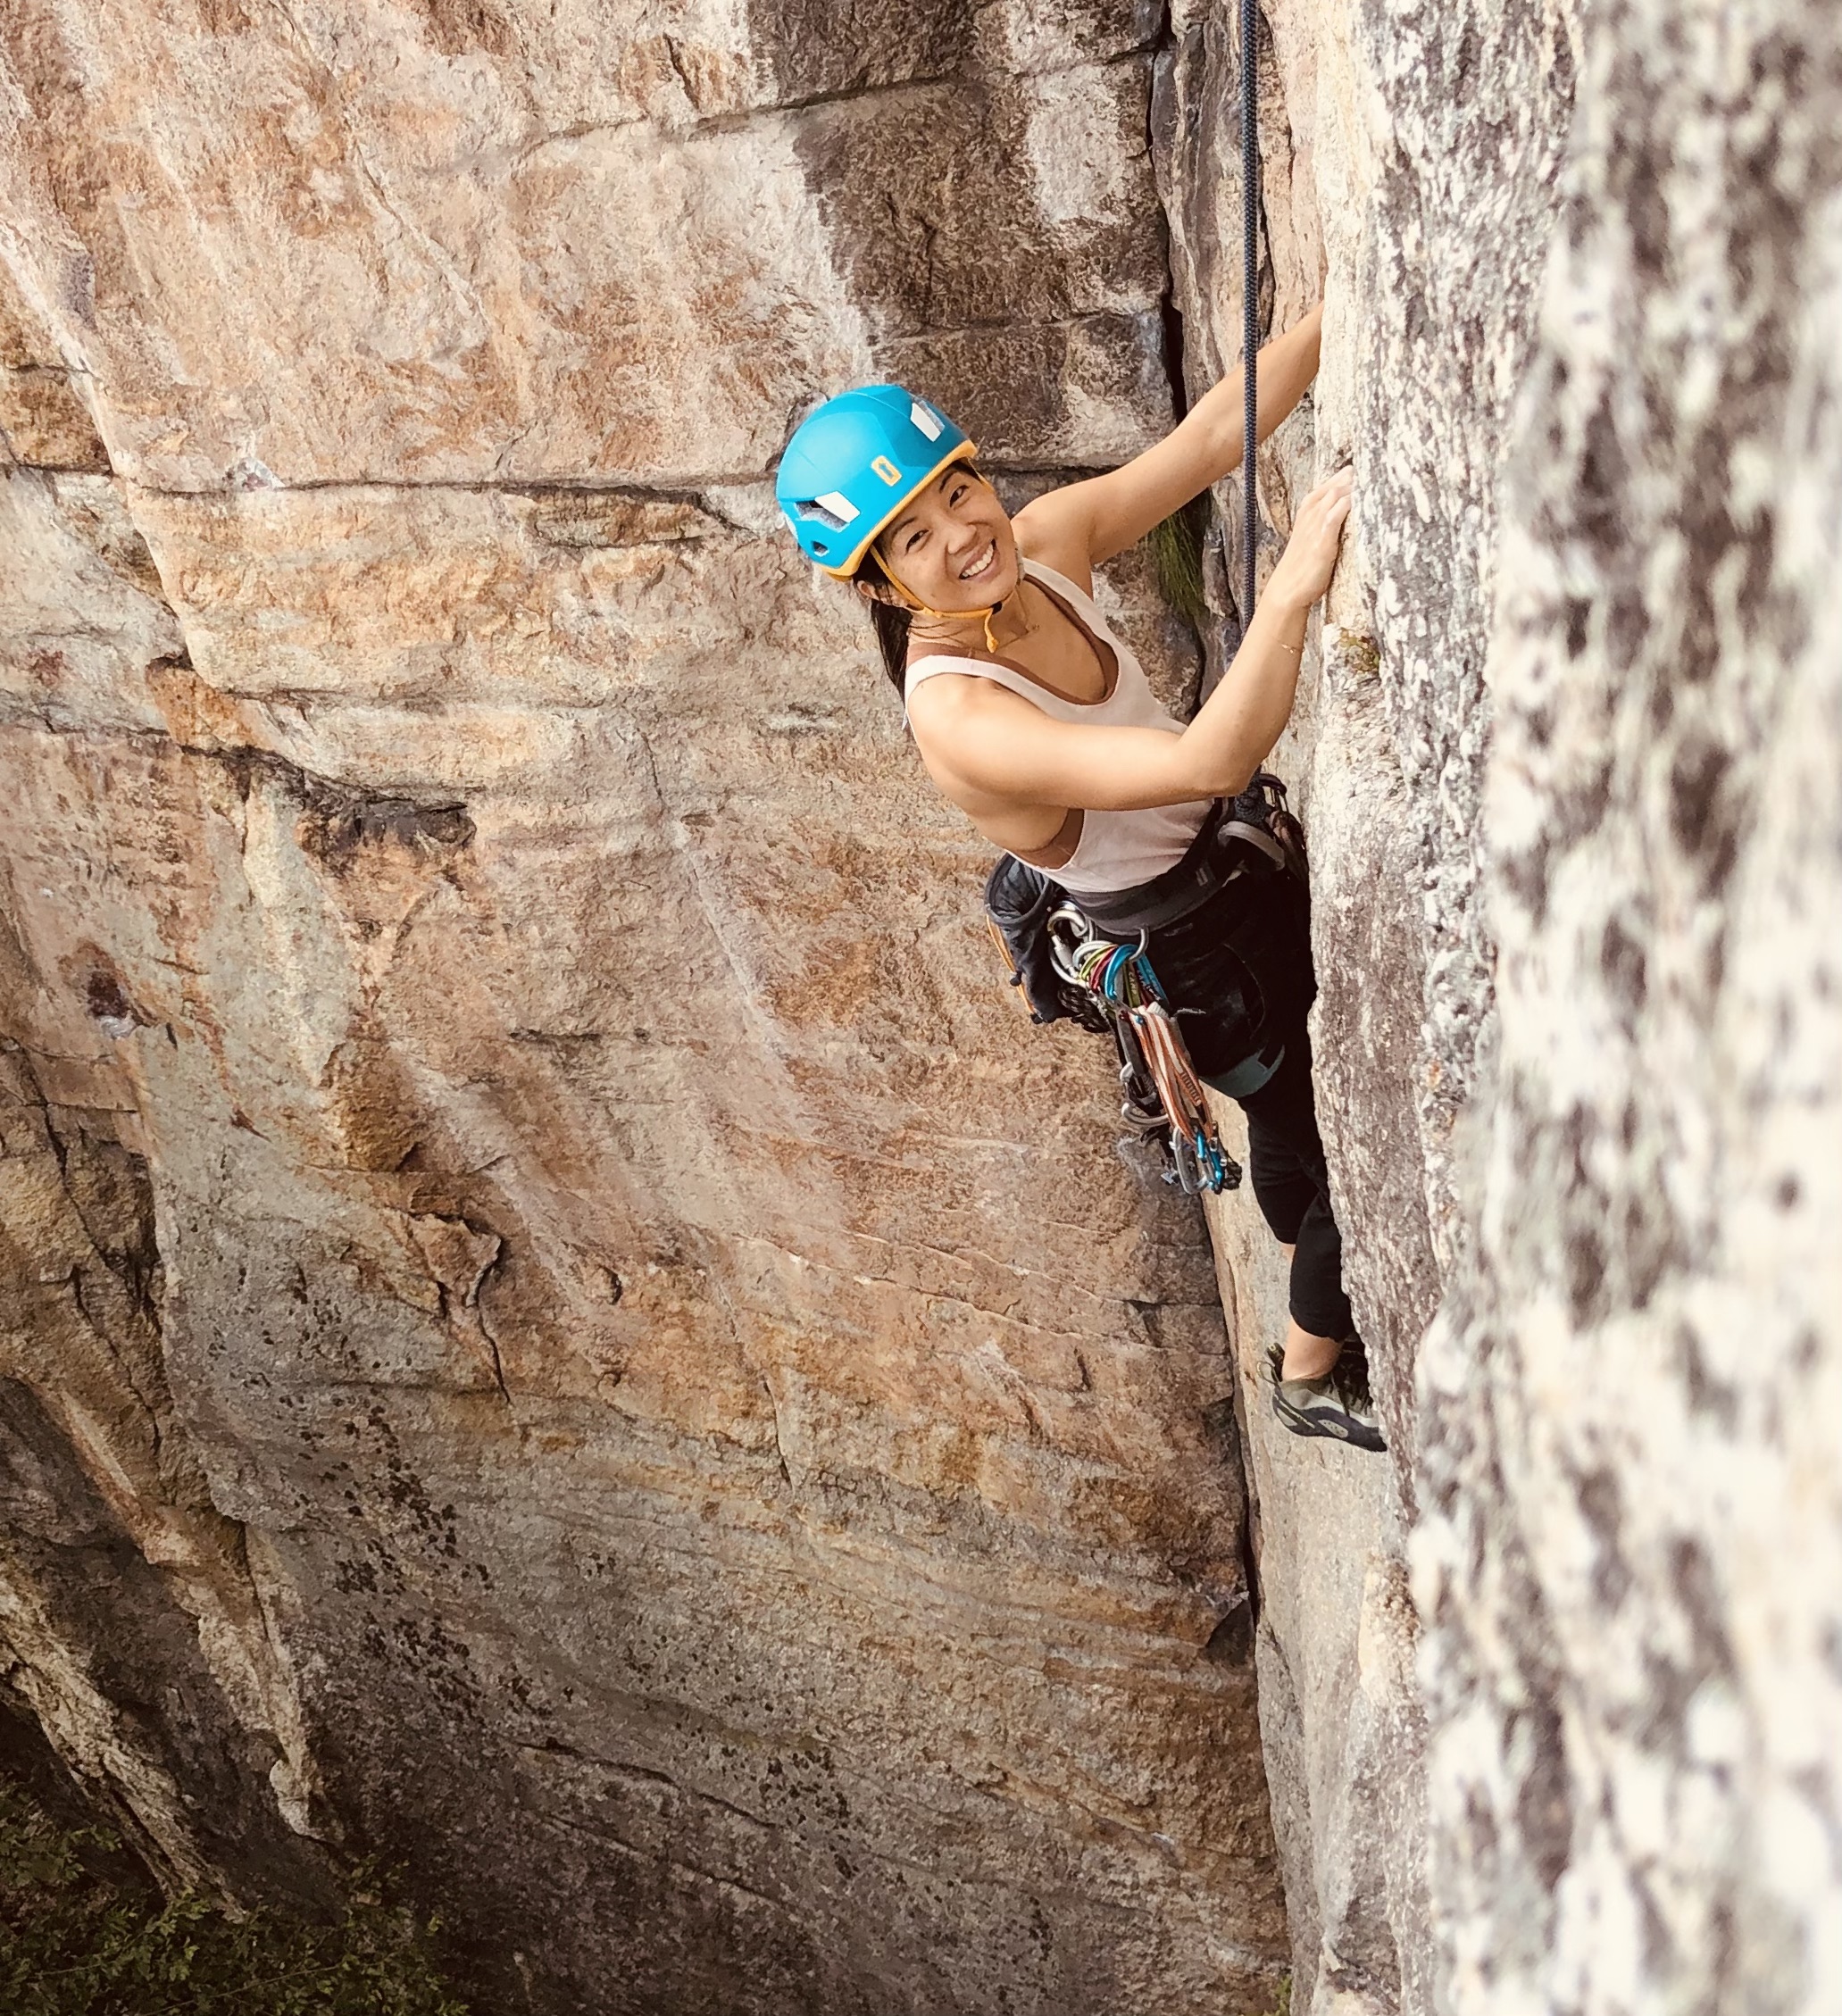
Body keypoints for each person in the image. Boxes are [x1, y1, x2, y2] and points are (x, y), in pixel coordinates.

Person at [774, 305, 1382, 1454]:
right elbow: (1205, 757)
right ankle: (1308, 1374)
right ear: (881, 587)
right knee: (1341, 1131)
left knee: (1295, 1124)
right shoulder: (958, 717)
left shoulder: (1041, 548)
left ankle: (1312, 1322)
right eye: (908, 537)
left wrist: (1344, 307)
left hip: (1233, 883)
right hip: (1200, 958)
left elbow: (1211, 437)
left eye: (955, 489)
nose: (958, 532)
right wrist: (1295, 586)